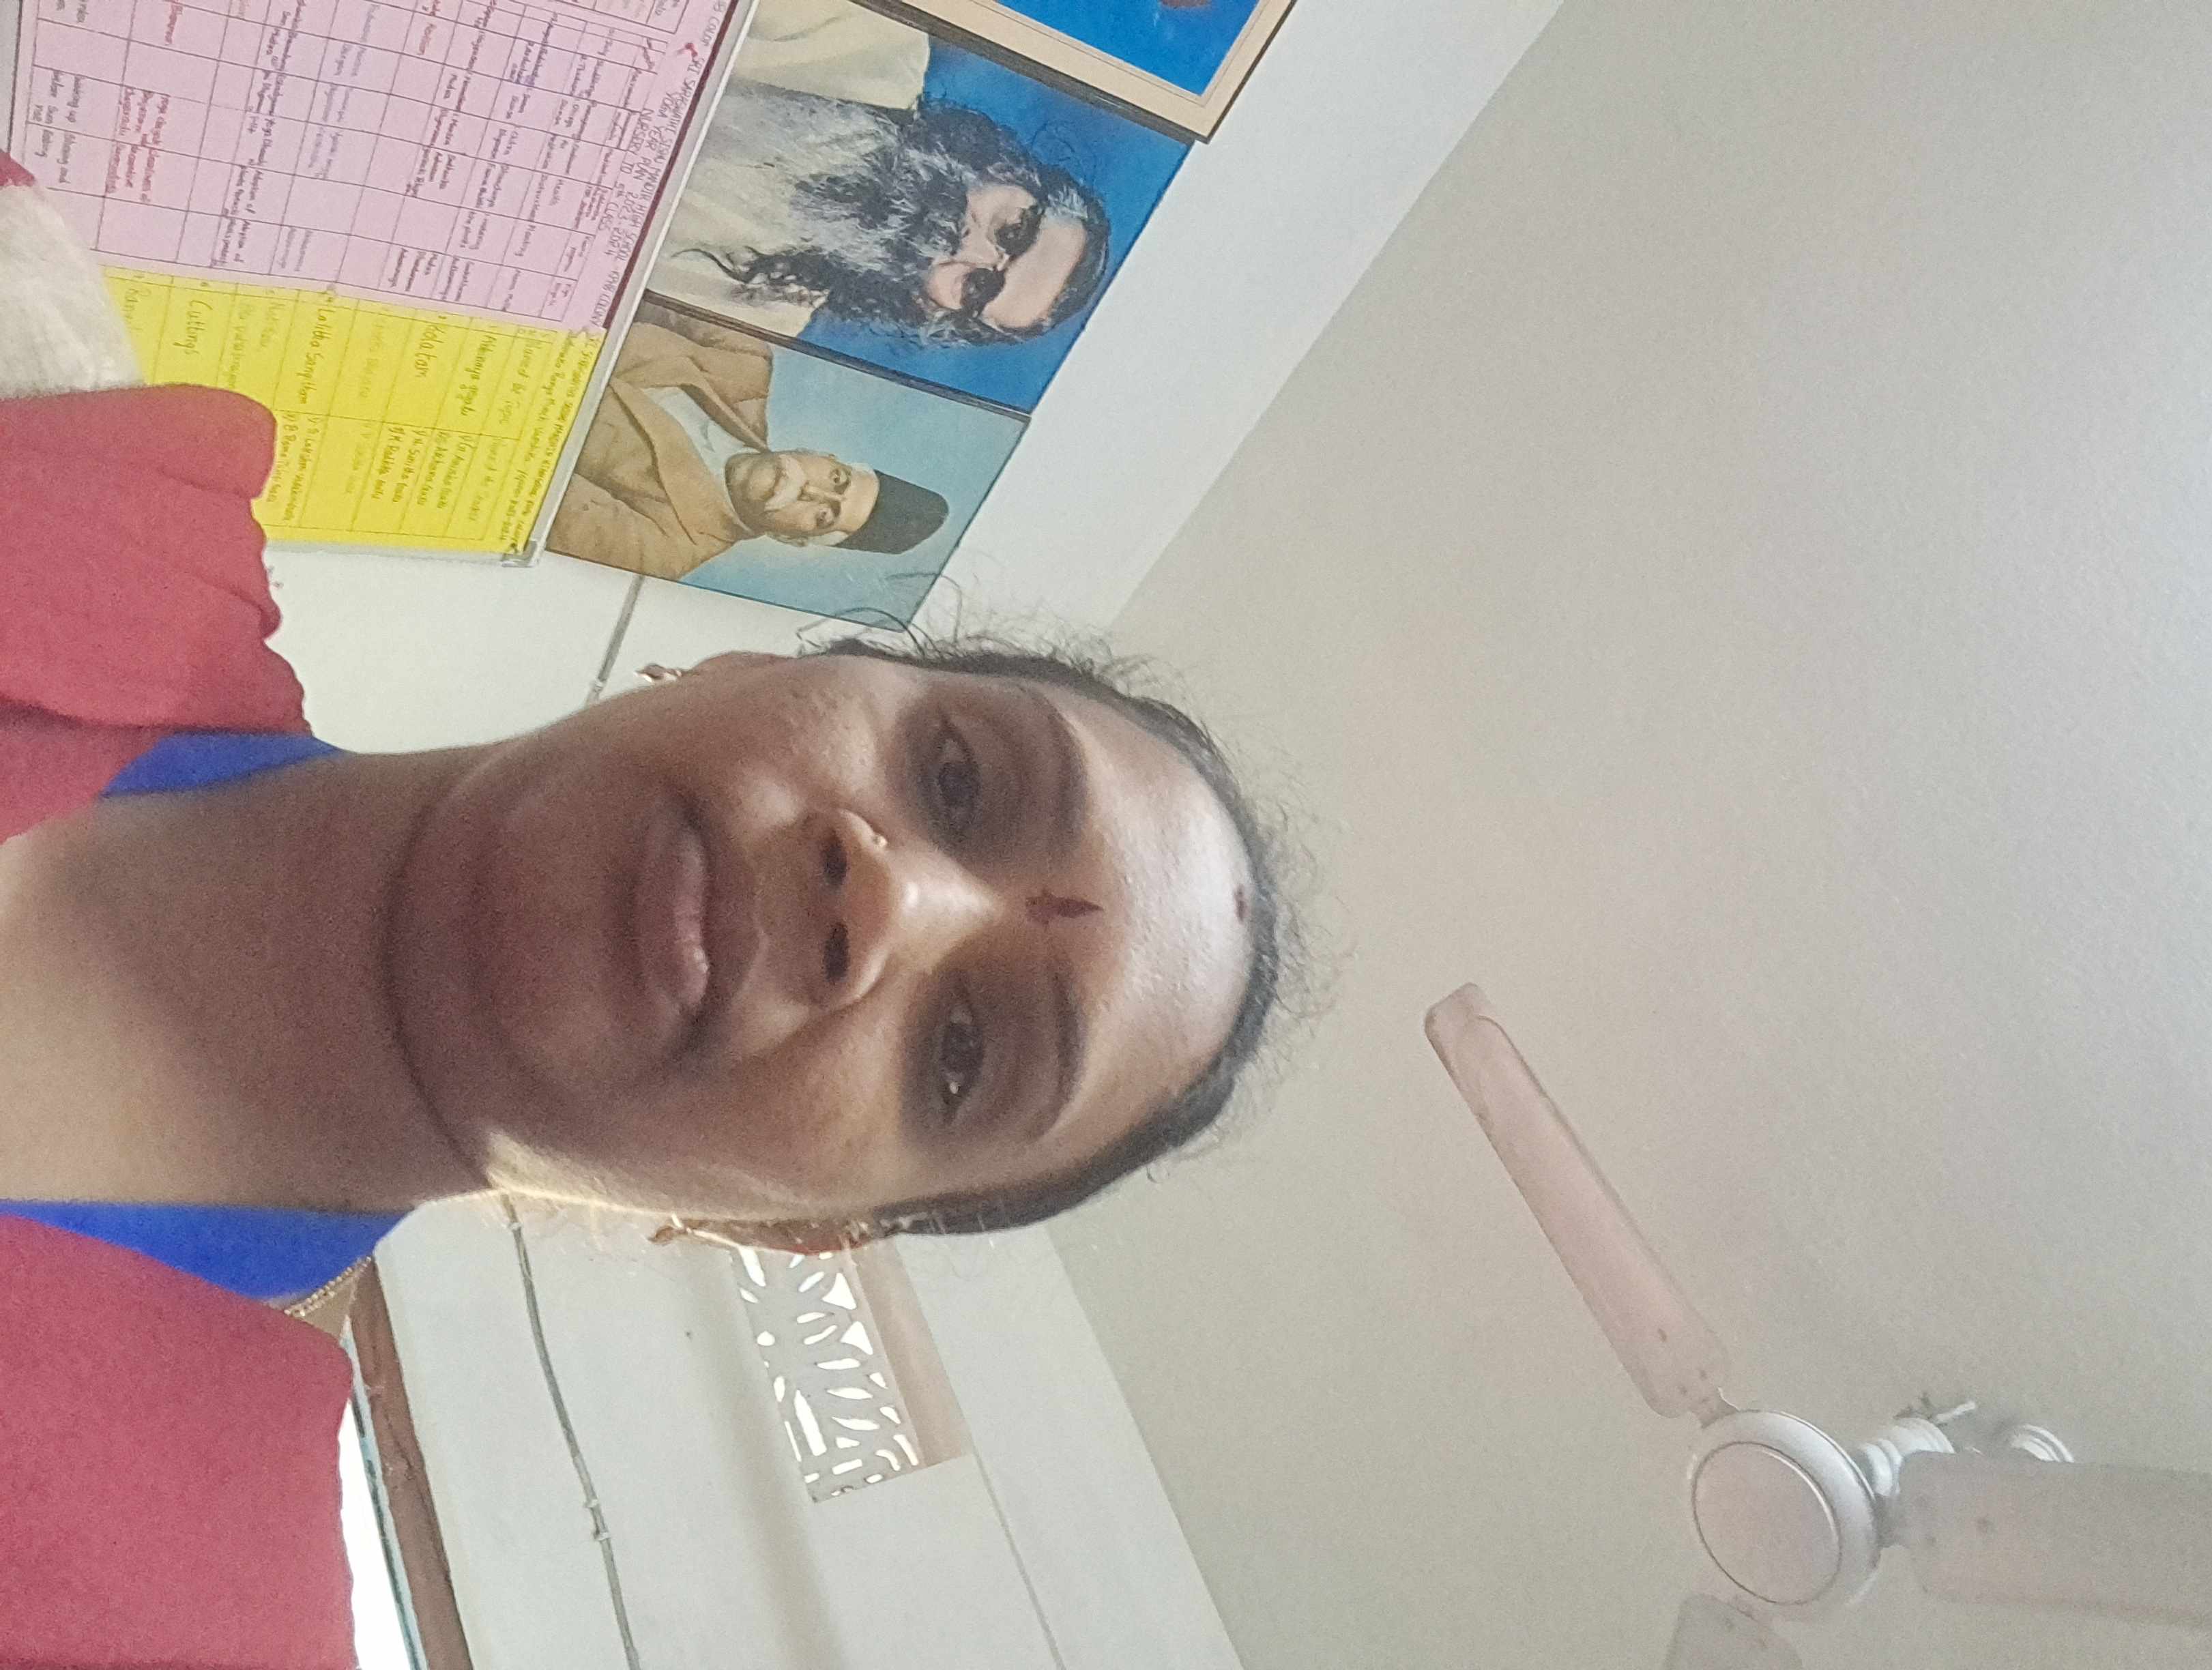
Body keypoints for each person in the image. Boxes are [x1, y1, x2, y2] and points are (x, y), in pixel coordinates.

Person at [0, 148, 1285, 1667]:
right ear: (758, 663)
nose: (887, 898)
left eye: (963, 1053)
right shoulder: (44, 386)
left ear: (793, 1232)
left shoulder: (171, 1623)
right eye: (955, 777)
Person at [650, 0, 1113, 346]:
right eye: (1014, 231)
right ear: (1010, 172)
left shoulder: (759, 314)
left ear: (933, 311)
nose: (970, 248)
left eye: (979, 287)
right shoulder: (877, 40)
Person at [548, 306, 950, 580]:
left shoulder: (666, 549)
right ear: (821, 454)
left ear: (792, 540)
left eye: (823, 516)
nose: (810, 492)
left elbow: (523, 484)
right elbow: (623, 290)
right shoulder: (745, 358)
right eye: (837, 479)